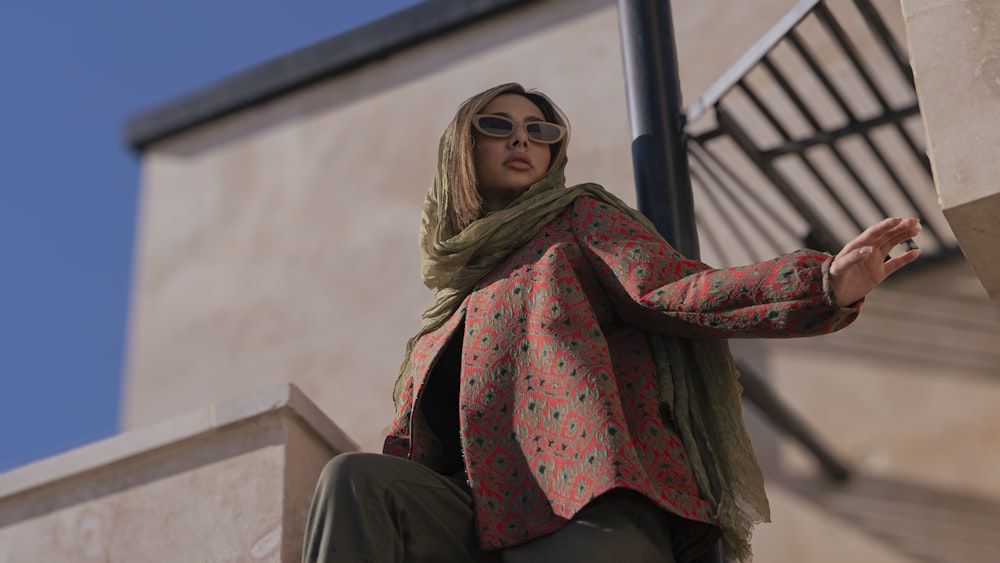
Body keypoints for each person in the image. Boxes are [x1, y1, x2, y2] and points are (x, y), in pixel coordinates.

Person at [300, 83, 921, 563]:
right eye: (499, 126)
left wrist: (822, 284)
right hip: (477, 516)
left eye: (539, 130)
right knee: (355, 480)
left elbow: (674, 290)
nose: (522, 139)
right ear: (463, 149)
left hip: (579, 497)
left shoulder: (577, 220)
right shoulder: (445, 312)